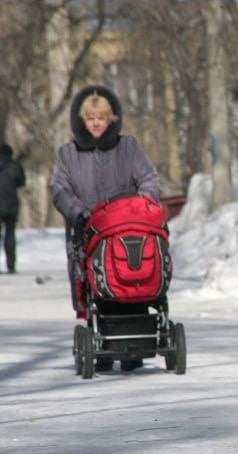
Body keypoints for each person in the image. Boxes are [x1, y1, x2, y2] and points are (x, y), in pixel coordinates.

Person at [50, 85, 161, 371]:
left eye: (102, 117)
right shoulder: (68, 154)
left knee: (130, 273)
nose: (97, 123)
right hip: (88, 230)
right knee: (94, 282)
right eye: (90, 118)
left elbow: (149, 179)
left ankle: (134, 343)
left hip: (126, 228)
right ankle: (100, 343)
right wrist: (80, 213)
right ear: (81, 121)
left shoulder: (129, 148)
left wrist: (141, 206)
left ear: (112, 119)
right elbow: (60, 190)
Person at [0, 143, 26, 274]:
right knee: (10, 236)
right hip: (11, 206)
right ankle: (11, 265)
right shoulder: (15, 166)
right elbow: (21, 182)